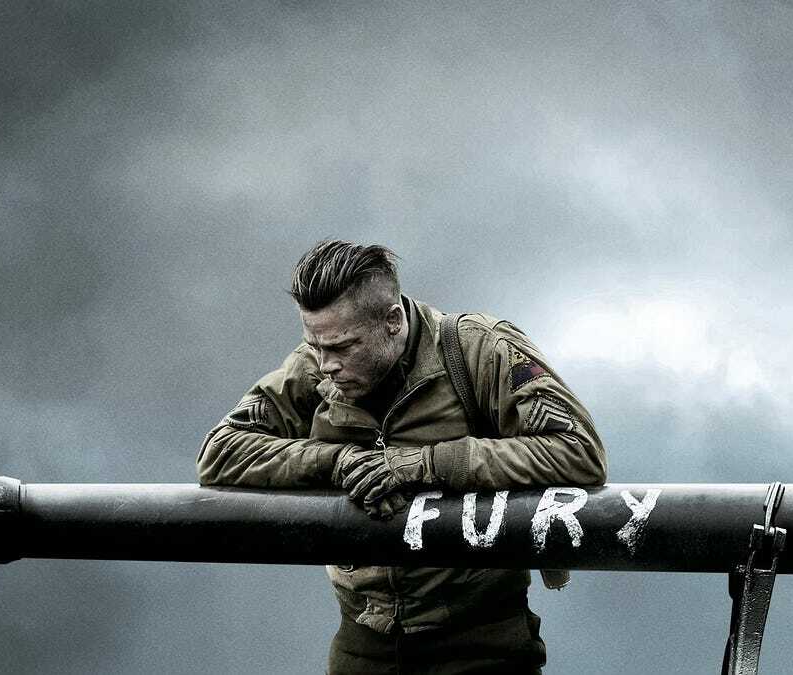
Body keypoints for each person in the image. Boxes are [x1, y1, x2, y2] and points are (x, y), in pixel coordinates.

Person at [197, 240, 606, 674]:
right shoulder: (313, 364)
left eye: (343, 347)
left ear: (393, 321)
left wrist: (425, 464)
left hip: (482, 642)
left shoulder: (479, 349)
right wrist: (335, 462)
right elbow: (220, 451)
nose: (327, 364)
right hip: (363, 641)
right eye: (315, 345)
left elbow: (578, 450)